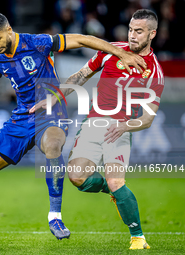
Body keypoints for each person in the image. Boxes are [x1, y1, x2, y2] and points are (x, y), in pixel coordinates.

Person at [0, 12, 146, 246]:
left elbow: (84, 39)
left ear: (8, 30)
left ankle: (55, 217)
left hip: (51, 111)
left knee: (53, 146)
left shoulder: (38, 43)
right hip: (22, 117)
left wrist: (120, 53)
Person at [31, 9, 163, 250]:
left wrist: (125, 126)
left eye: (139, 31)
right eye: (131, 29)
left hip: (120, 129)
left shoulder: (154, 71)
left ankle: (138, 236)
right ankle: (113, 192)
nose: (133, 35)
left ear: (152, 34)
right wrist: (54, 97)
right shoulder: (111, 50)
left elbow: (147, 118)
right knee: (77, 178)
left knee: (115, 180)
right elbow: (81, 75)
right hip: (92, 123)